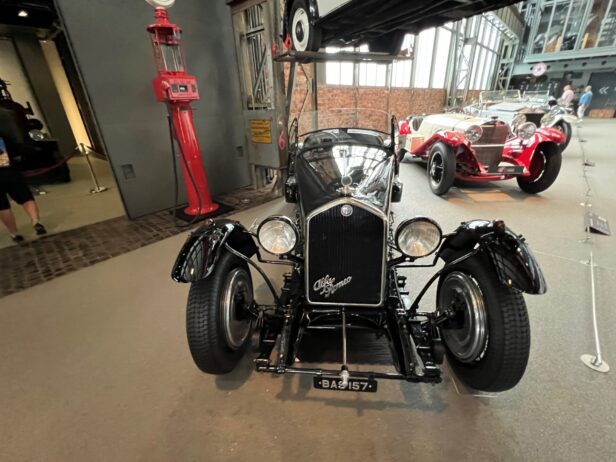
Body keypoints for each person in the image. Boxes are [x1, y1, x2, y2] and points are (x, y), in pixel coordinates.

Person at [0, 137, 47, 243]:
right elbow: (16, 151)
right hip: (10, 171)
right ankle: (36, 222)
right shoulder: (3, 136)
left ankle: (15, 233)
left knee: (2, 207)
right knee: (26, 198)